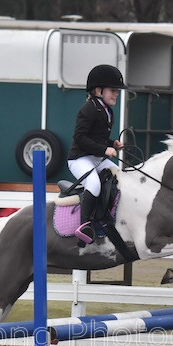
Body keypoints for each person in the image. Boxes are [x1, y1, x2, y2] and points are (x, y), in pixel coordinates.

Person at [68, 64, 126, 244]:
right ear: (98, 90)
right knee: (93, 184)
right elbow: (80, 138)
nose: (116, 94)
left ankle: (105, 220)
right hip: (79, 159)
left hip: (97, 158)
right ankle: (84, 226)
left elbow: (97, 137)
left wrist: (112, 143)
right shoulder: (88, 109)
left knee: (121, 178)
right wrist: (104, 149)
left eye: (117, 91)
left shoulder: (107, 110)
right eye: (113, 90)